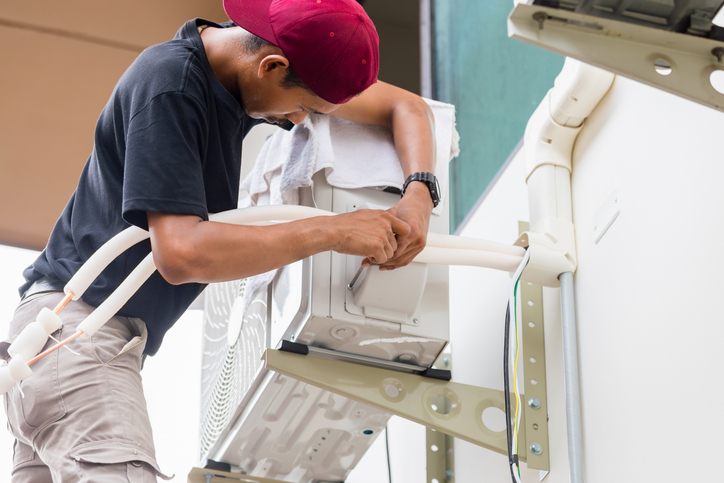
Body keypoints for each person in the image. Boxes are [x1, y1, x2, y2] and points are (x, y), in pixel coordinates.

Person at [2, 0, 438, 481]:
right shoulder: (170, 86)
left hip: (59, 349)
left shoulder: (235, 72)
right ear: (273, 66)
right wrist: (335, 230)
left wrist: (419, 193)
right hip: (82, 335)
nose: (298, 120)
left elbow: (406, 106)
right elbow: (182, 253)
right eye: (307, 108)